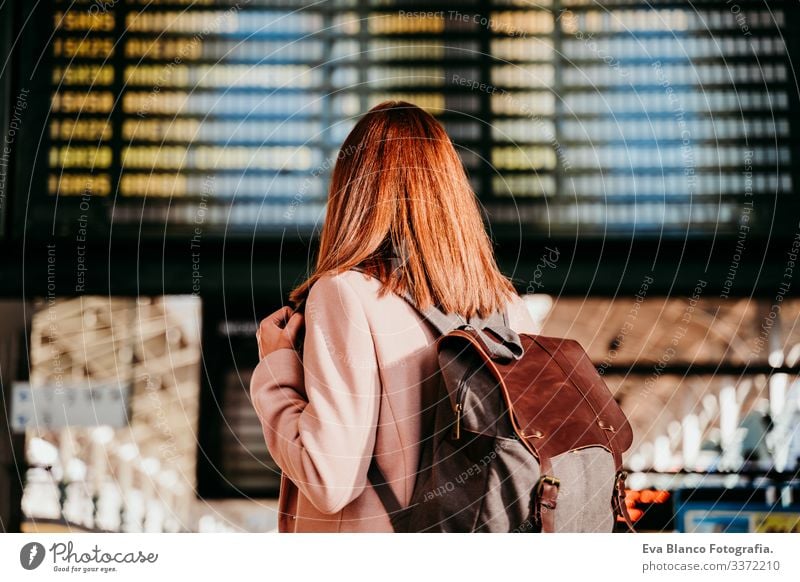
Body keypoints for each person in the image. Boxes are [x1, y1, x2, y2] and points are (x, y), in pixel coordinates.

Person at [249, 100, 538, 532]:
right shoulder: (509, 309)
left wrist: (276, 372)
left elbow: (330, 479)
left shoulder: (347, 295)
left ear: (352, 193)